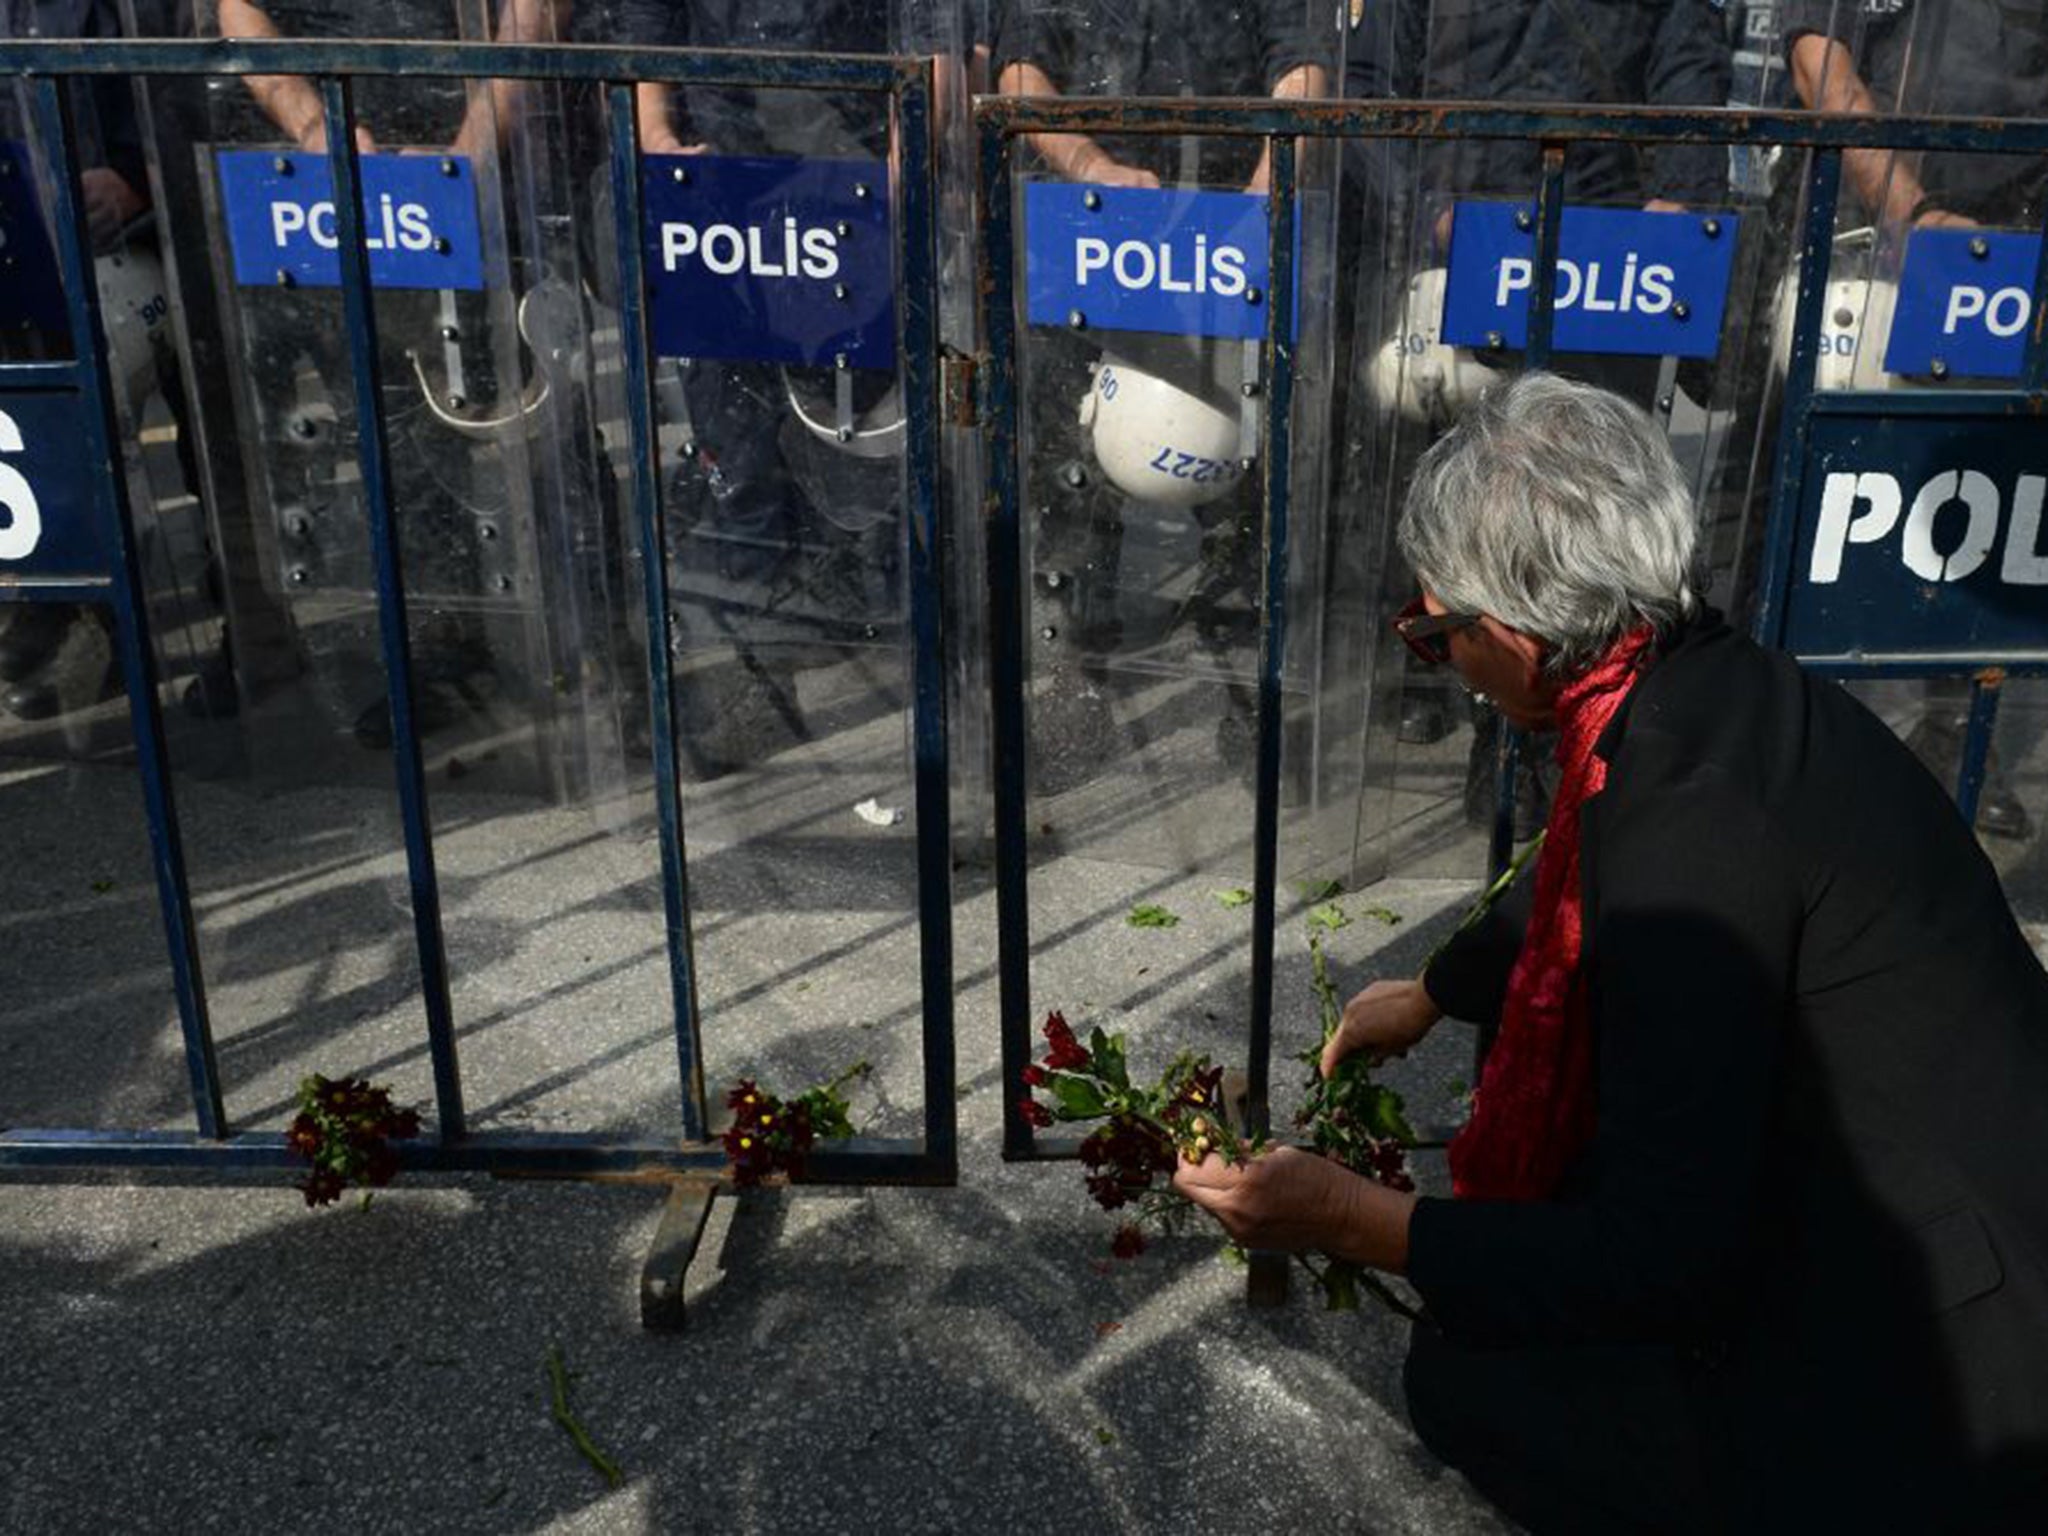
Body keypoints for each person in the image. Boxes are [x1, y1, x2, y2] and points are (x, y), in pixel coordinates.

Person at [1176, 374, 2048, 1532]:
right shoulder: (1702, 687)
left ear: (1515, 636)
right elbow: (1584, 867)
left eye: (1433, 636)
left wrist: (1343, 1216)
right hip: (1957, 1209)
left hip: (1944, 1358)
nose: (1441, 663)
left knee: (1473, 1378)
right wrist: (1437, 988)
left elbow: (1656, 1252)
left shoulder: (1687, 821)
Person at [1343, 0, 1730, 836]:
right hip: (1462, 248)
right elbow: (1370, 87)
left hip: (1597, 255)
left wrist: (1680, 199)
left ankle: (1515, 732)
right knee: (1438, 486)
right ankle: (1430, 670)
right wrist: (1426, 212)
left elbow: (1689, 67)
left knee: (1569, 518)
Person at [1778, 0, 2045, 837]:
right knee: (1805, 503)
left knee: (1977, 499)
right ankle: (1776, 743)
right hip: (1867, 238)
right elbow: (1820, 58)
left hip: (2010, 238)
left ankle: (1955, 736)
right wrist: (1912, 213)